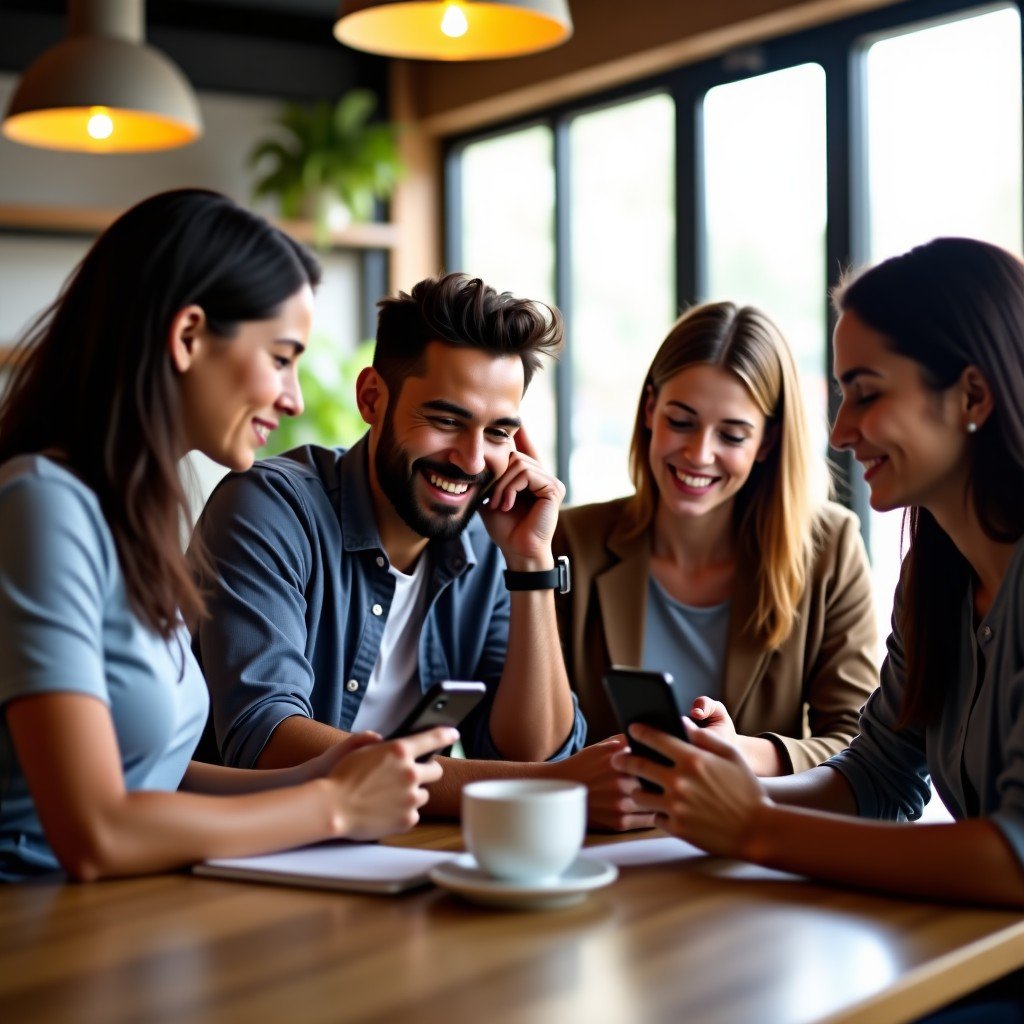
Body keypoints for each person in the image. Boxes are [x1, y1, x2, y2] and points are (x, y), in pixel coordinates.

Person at [0, 189, 455, 882]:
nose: (296, 397)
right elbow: (95, 832)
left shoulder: (134, 516)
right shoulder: (41, 505)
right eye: (280, 357)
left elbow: (157, 780)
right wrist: (332, 806)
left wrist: (316, 774)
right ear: (187, 337)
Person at [613, 238, 1024, 905]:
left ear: (972, 395)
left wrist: (753, 825)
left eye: (865, 395)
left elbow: (1014, 858)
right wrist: (721, 796)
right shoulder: (937, 570)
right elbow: (879, 776)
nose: (839, 430)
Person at [190, 271, 628, 824]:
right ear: (373, 397)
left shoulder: (487, 540)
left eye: (498, 433)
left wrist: (530, 563)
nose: (471, 461)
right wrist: (551, 788)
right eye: (446, 420)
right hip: (235, 863)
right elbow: (265, 737)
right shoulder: (269, 509)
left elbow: (533, 751)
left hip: (393, 866)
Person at [554, 301, 878, 775]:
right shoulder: (571, 541)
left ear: (766, 442)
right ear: (650, 410)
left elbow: (862, 742)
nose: (698, 454)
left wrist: (743, 753)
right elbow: (535, 744)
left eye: (731, 435)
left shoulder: (830, 546)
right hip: (606, 836)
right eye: (681, 422)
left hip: (752, 839)